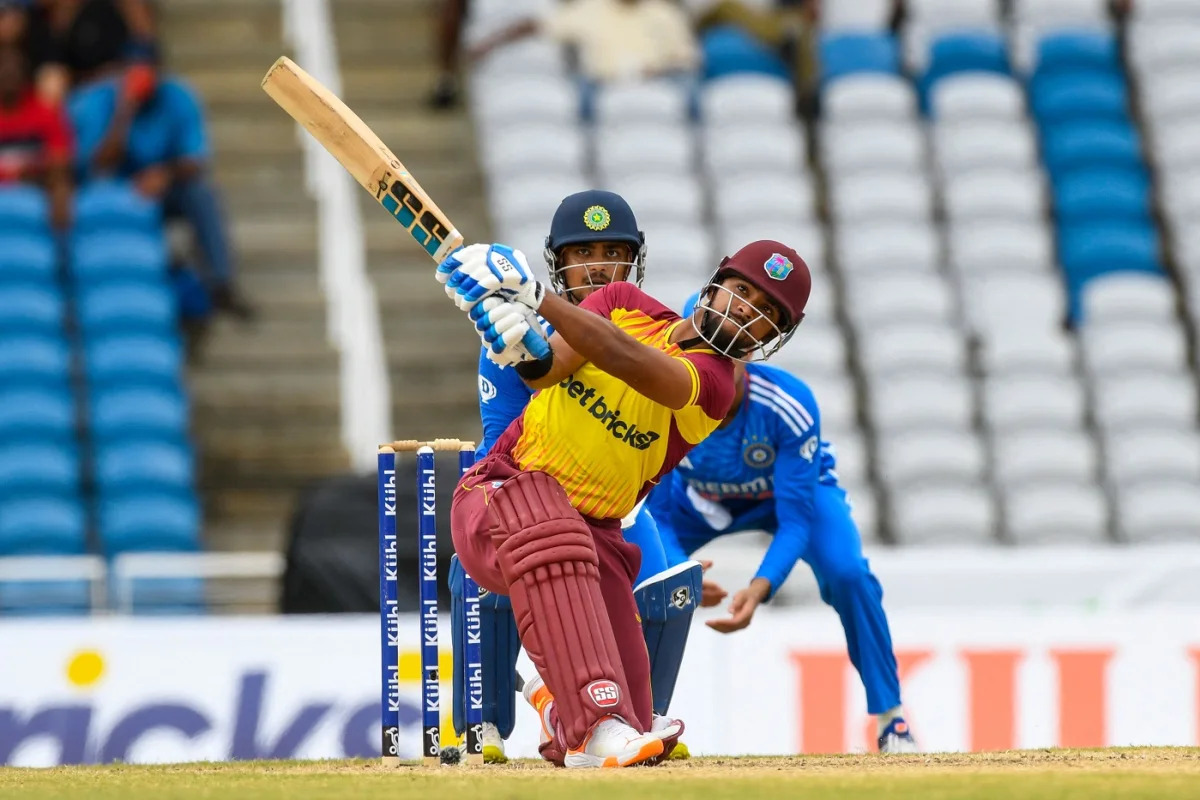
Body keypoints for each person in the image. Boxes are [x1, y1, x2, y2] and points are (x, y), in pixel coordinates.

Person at [435, 235, 810, 767]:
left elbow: (620, 355)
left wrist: (535, 297)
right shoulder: (621, 302)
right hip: (500, 492)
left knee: (635, 720)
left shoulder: (715, 386)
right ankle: (591, 728)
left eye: (769, 312)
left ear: (775, 335)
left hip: (593, 536)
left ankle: (560, 714)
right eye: (744, 291)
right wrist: (515, 337)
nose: (748, 312)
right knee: (550, 523)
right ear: (717, 283)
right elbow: (544, 372)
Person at [447, 190, 704, 763]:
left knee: (669, 589)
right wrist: (518, 347)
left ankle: (626, 715)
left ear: (633, 261)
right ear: (557, 263)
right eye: (581, 251)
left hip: (614, 508)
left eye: (613, 251)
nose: (599, 264)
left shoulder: (642, 324)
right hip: (532, 495)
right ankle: (485, 722)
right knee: (490, 570)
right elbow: (503, 441)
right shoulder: (517, 330)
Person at [645, 291, 919, 753]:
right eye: (699, 353)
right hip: (698, 501)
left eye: (726, 354)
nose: (710, 370)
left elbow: (795, 518)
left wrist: (762, 585)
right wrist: (676, 572)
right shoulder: (661, 400)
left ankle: (892, 719)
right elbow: (655, 510)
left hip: (786, 497)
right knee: (642, 576)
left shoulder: (787, 403)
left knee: (849, 574)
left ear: (749, 354)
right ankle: (637, 720)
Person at [66, 52, 254, 320]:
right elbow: (97, 166)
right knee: (95, 198)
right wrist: (124, 112)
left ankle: (220, 282)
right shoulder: (99, 100)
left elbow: (196, 160)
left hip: (165, 188)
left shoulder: (178, 96)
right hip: (117, 191)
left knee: (202, 193)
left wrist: (165, 173)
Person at [0, 45, 72, 230]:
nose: (9, 75)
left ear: (25, 76)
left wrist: (37, 175)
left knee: (63, 192)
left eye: (15, 70)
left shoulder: (45, 113)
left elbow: (61, 162)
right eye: (3, 69)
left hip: (35, 191)